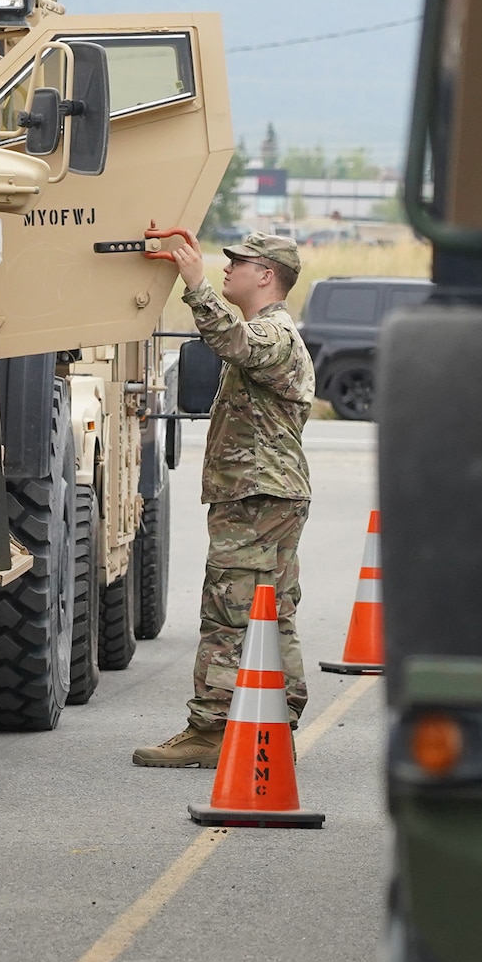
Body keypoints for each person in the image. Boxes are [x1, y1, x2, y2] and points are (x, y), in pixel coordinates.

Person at [133, 231, 314, 769]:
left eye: (240, 262)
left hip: (257, 496)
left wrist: (195, 285)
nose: (228, 266)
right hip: (266, 494)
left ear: (267, 276)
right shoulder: (273, 333)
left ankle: (211, 729)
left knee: (229, 610)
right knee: (268, 610)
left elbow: (233, 341)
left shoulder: (275, 334)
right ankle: (274, 719)